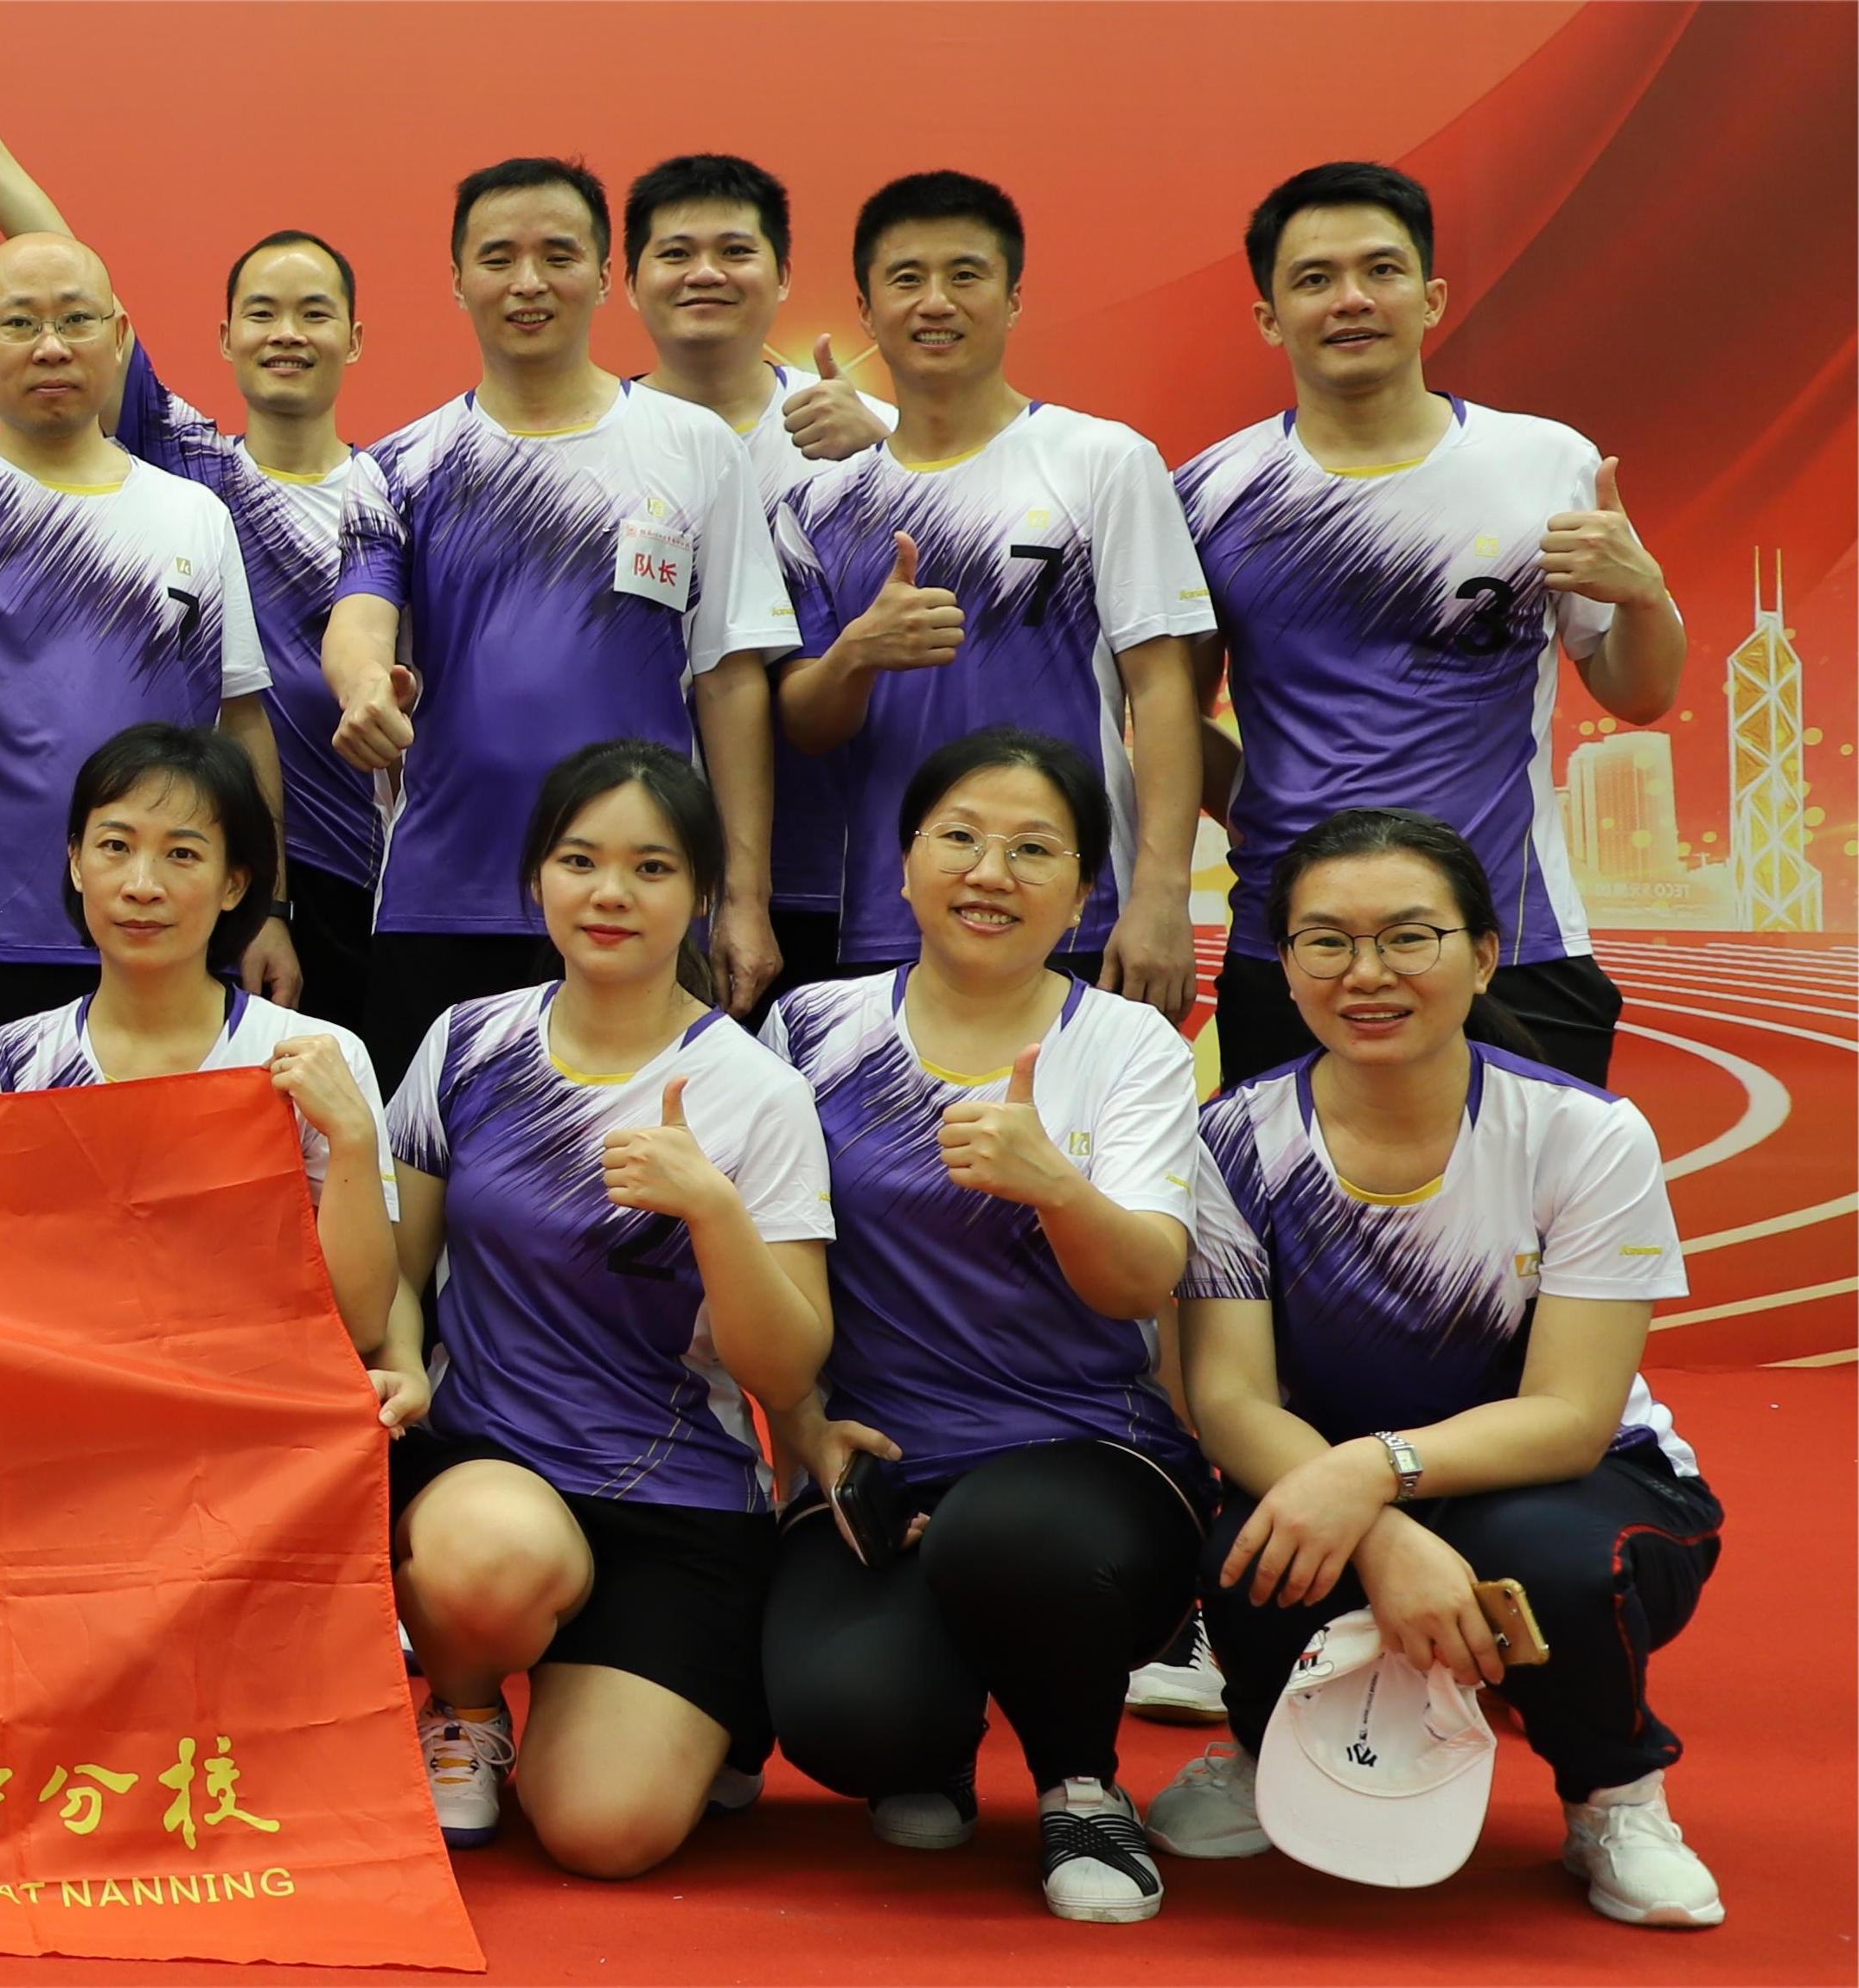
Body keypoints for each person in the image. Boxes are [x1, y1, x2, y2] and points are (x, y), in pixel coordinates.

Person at [1147, 808, 1722, 1930]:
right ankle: (1268, 1744)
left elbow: (1570, 1413)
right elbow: (1227, 1398)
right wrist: (1375, 1524)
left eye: (1409, 936)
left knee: (1549, 1563)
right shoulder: (1233, 1140)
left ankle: (1614, 1791)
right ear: (1284, 963)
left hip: (1568, 1479)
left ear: (1485, 953)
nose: (1367, 973)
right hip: (1328, 1472)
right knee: (1251, 1552)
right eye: (1326, 941)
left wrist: (1371, 1474)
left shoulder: (1583, 1134)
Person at [755, 728, 1204, 1922]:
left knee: (1011, 1536)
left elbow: (1142, 1283)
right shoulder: (811, 1028)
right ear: (904, 864)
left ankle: (1080, 1782)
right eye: (958, 837)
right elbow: (770, 1267)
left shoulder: (1128, 1043)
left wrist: (1055, 1184)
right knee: (848, 1716)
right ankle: (934, 1737)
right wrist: (807, 1429)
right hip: (882, 1461)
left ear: (1085, 889)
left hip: (1086, 1457)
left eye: (1033, 848)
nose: (990, 872)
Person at [375, 738, 830, 1879]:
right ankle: (465, 1705)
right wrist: (404, 1357)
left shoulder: (758, 1090)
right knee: (489, 1555)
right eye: (580, 860)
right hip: (488, 1471)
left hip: (675, 1502)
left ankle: (678, 1707)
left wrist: (713, 1210)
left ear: (701, 892)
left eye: (651, 867)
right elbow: (397, 1269)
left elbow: (784, 1369)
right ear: (537, 876)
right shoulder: (466, 1042)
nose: (611, 893)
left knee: (603, 1832)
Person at [0, 13, 370, 1030]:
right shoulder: (191, 460)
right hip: (9, 926)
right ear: (221, 336)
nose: (286, 335)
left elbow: (244, 719)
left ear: (358, 337)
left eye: (314, 313)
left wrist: (269, 903)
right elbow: (56, 284)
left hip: (289, 888)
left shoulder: (395, 489)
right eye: (262, 314)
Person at [1179, 163, 1682, 1090]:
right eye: (1315, 278)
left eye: (1382, 270)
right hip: (1294, 941)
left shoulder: (1545, 461)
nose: (1352, 299)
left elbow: (1640, 692)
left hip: (1510, 936)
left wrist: (1644, 595)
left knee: (1530, 1187)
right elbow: (1170, 715)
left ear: (1432, 297)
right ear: (1270, 316)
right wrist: (1266, 807)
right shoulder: (1214, 493)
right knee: (1291, 1187)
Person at [317, 159, 800, 1079]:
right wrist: (366, 687)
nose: (528, 282)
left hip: (638, 900)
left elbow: (730, 677)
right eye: (499, 258)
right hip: (444, 898)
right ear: (457, 278)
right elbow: (359, 615)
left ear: (606, 275)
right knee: (430, 1162)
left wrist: (744, 896)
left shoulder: (695, 447)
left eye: (558, 256)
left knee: (642, 1155)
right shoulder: (401, 464)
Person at [0, 230, 284, 1072]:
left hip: (174, 932)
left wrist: (273, 907)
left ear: (119, 337)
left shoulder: (193, 514)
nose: (50, 345)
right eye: (19, 323)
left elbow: (243, 720)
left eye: (76, 319)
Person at [771, 172, 1207, 1020]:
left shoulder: (1102, 461)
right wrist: (858, 654)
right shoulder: (818, 505)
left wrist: (1162, 893)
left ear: (1012, 300)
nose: (936, 302)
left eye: (965, 275)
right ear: (866, 310)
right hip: (888, 915)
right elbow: (805, 725)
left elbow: (1161, 688)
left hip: (1072, 908)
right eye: (907, 279)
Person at [0, 723, 391, 1327]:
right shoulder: (9, 1064)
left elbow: (362, 1322)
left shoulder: (318, 1057)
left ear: (234, 883)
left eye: (182, 854)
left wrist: (352, 1137)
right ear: (76, 862)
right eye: (115, 846)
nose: (142, 886)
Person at [615, 154, 890, 1000]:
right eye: (675, 253)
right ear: (628, 283)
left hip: (849, 871)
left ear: (783, 276)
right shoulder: (595, 443)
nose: (705, 273)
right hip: (649, 866)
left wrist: (892, 452)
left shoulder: (873, 432)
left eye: (735, 251)